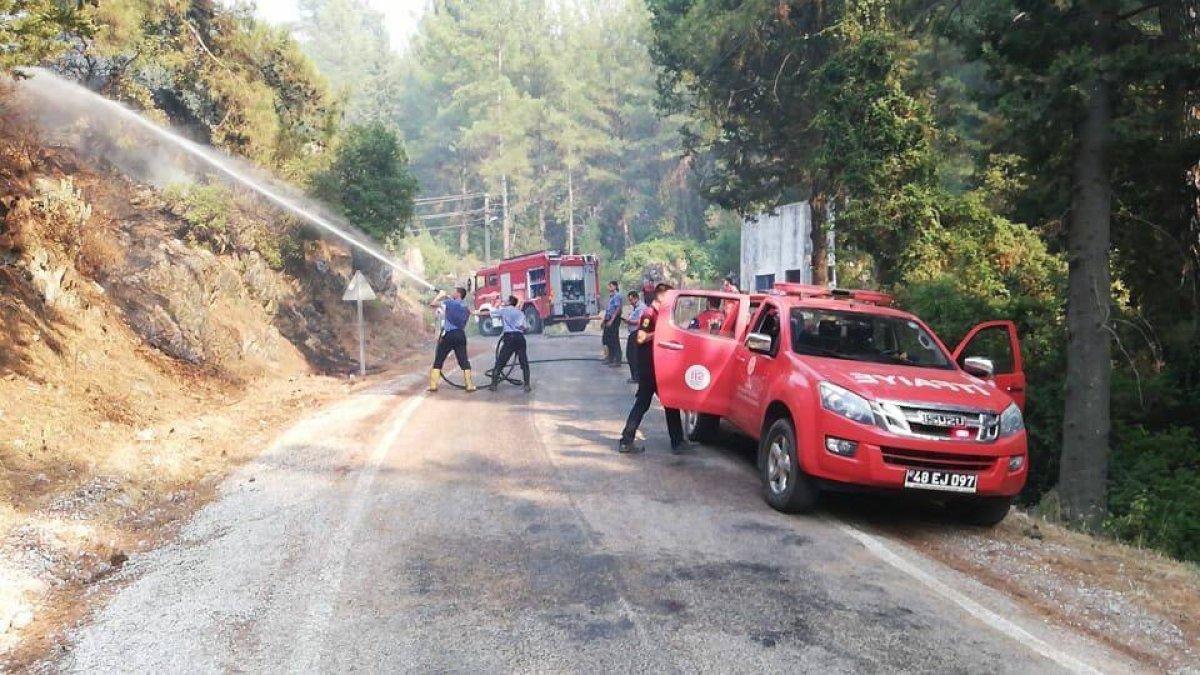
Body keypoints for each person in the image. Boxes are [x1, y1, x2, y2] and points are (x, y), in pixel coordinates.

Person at [618, 283, 685, 455]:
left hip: (657, 367)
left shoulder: (659, 314)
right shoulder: (649, 313)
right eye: (669, 297)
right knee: (644, 403)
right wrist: (661, 333)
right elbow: (640, 338)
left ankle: (678, 442)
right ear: (661, 296)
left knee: (670, 403)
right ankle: (626, 441)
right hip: (649, 369)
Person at [429, 287, 476, 393]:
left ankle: (433, 385)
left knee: (439, 359)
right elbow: (467, 313)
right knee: (463, 360)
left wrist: (440, 295)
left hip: (449, 335)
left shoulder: (449, 302)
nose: (453, 293)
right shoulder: (465, 306)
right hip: (460, 335)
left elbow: (433, 304)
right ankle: (469, 385)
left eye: (455, 292)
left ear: (459, 294)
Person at [488, 295, 532, 393]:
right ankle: (527, 385)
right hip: (520, 338)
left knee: (501, 361)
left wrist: (496, 305)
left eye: (506, 300)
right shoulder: (520, 313)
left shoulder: (504, 310)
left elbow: (492, 313)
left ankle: (494, 385)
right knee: (524, 362)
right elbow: (525, 327)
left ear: (509, 302)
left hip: (509, 338)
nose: (505, 301)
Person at [624, 290, 645, 384]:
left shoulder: (641, 308)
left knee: (633, 355)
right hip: (632, 332)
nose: (630, 302)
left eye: (631, 300)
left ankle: (636, 377)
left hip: (636, 332)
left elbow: (639, 322)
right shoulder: (636, 308)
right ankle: (634, 376)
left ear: (636, 298)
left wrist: (628, 321)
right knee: (630, 355)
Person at [602, 280, 623, 367]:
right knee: (607, 339)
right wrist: (604, 320)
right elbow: (609, 310)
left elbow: (618, 309)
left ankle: (617, 360)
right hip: (608, 318)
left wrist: (611, 320)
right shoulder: (611, 296)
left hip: (614, 319)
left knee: (614, 339)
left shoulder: (617, 296)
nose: (608, 288)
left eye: (610, 286)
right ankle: (610, 357)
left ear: (614, 286)